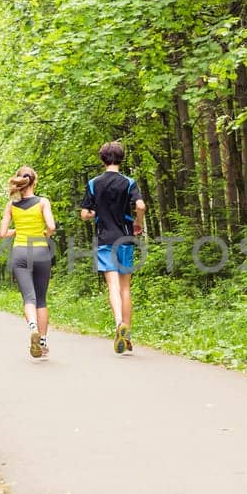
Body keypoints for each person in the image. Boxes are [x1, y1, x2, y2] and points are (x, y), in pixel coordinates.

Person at [79, 141, 145, 354]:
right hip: (125, 237)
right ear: (121, 158)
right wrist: (138, 222)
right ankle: (127, 334)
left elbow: (84, 214)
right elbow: (141, 205)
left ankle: (118, 323)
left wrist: (96, 214)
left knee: (113, 286)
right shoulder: (129, 182)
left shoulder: (93, 183)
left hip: (105, 239)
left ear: (102, 159)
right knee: (126, 288)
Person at [0, 165, 56, 358]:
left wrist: (18, 230)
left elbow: (2, 234)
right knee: (41, 299)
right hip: (40, 250)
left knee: (28, 298)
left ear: (20, 183)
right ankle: (42, 341)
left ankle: (33, 328)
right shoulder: (43, 202)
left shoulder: (11, 206)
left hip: (20, 253)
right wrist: (44, 233)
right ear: (34, 181)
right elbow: (51, 227)